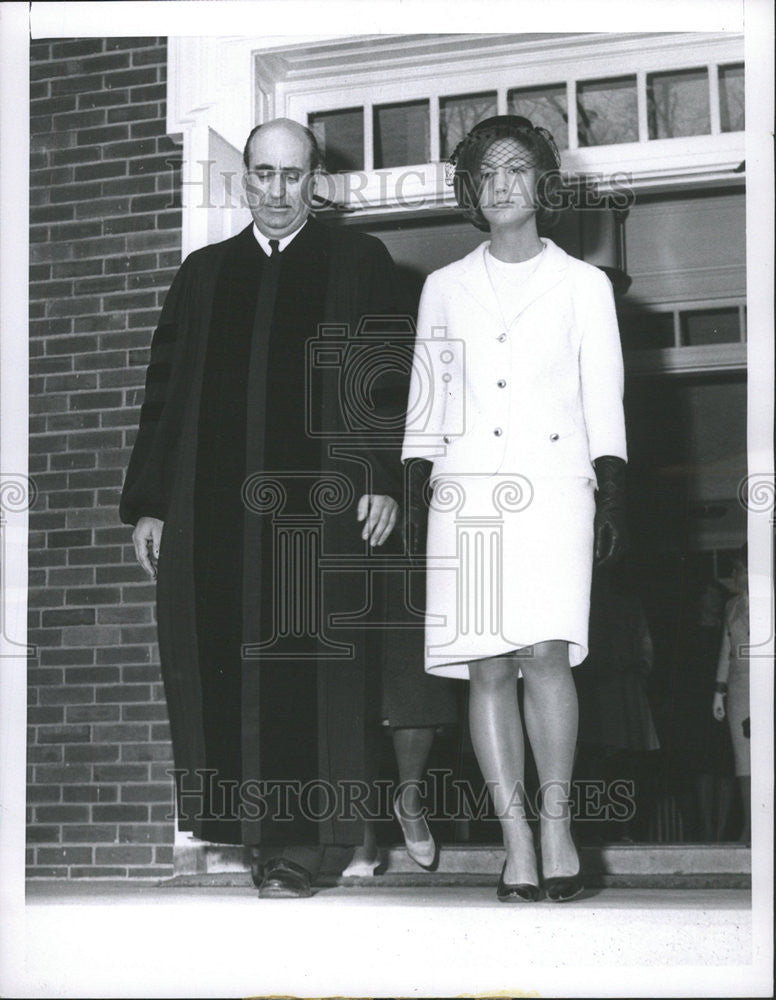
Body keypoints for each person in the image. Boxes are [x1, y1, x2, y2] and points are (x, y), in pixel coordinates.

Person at [121, 118, 443, 898]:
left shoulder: (356, 261)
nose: (275, 190)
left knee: (308, 664)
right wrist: (152, 503)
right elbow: (163, 396)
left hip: (319, 508)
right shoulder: (203, 273)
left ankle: (301, 844)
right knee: (223, 660)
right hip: (213, 512)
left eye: (292, 176)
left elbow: (388, 380)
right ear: (244, 180)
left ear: (314, 181)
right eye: (261, 174)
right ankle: (257, 837)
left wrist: (377, 479)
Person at [401, 116, 628, 901]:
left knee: (546, 657)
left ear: (542, 184)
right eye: (486, 172)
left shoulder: (584, 285)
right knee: (488, 665)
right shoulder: (443, 286)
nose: (501, 184)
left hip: (557, 489)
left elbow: (606, 396)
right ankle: (517, 842)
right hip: (465, 497)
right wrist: (410, 488)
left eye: (517, 169)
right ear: (471, 189)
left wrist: (613, 494)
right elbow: (425, 406)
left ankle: (560, 827)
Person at [713, 547, 750, 843]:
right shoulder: (732, 606)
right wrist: (719, 690)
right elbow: (726, 649)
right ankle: (751, 825)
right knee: (743, 758)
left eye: (738, 570)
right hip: (739, 687)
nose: (734, 576)